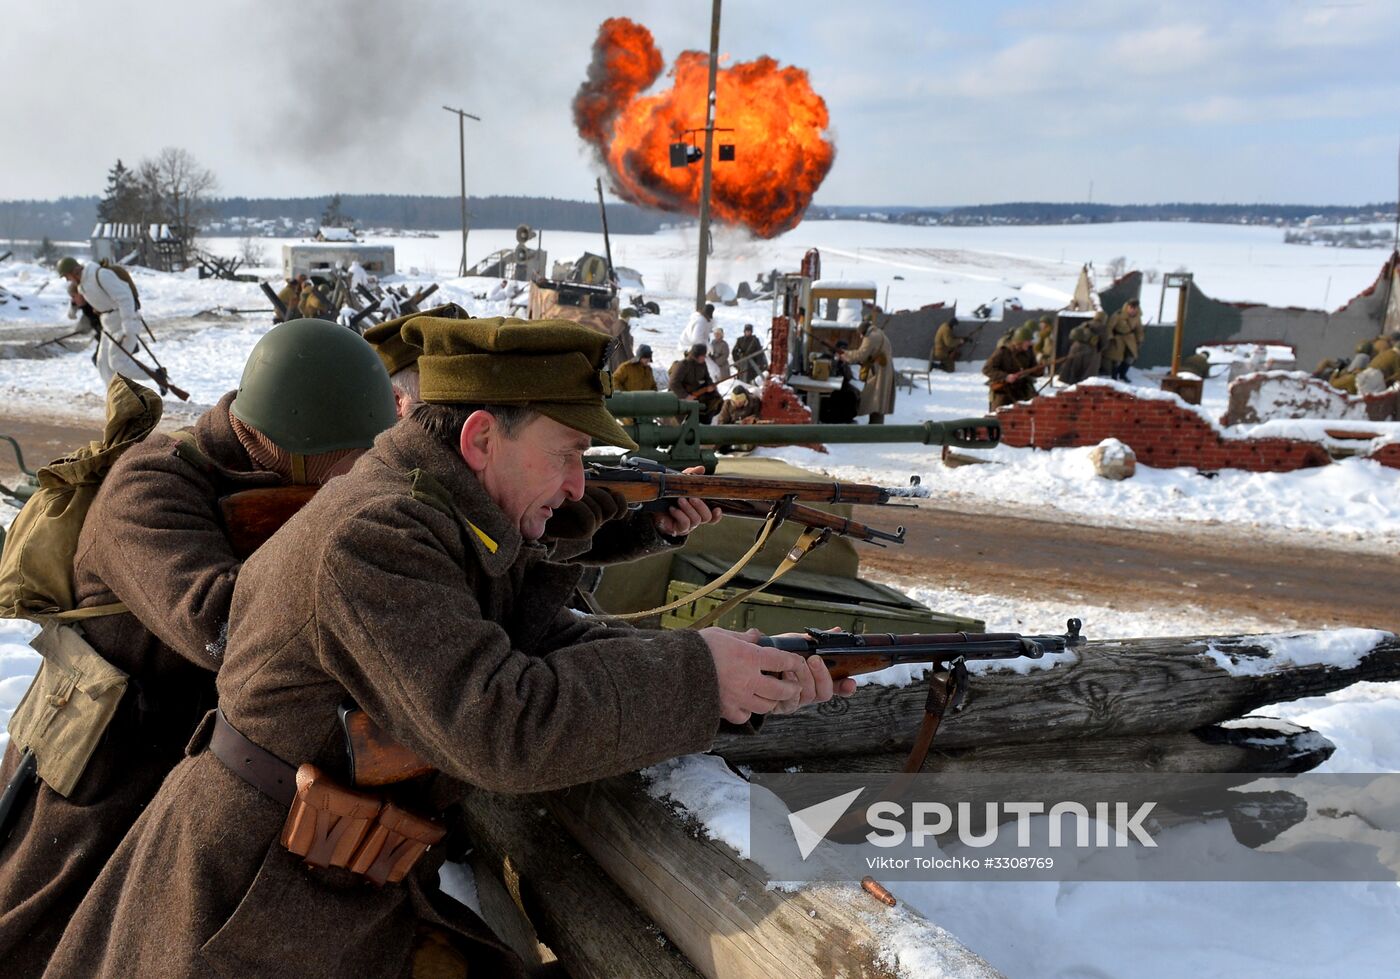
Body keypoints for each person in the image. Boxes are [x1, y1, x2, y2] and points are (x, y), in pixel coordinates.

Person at [45, 317, 850, 979]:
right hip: (245, 904)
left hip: (325, 888)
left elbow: (541, 641)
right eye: (568, 455)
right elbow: (503, 722)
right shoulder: (379, 536)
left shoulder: (437, 518)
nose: (579, 484)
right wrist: (697, 677)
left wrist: (739, 675)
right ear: (477, 439)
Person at [0, 319, 398, 975]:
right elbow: (222, 627)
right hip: (99, 770)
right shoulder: (149, 486)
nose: (357, 485)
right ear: (291, 444)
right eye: (349, 465)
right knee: (40, 937)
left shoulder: (275, 481)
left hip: (189, 762)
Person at [56, 256, 143, 386]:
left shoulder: (100, 276)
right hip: (108, 329)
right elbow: (77, 317)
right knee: (102, 364)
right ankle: (117, 395)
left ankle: (156, 376)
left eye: (67, 276)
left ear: (74, 271)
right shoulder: (84, 288)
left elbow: (124, 298)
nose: (68, 280)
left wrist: (127, 325)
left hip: (120, 326)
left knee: (117, 363)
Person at [840, 317, 895, 424]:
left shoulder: (870, 337)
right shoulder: (878, 333)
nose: (861, 337)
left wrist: (845, 354)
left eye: (861, 334)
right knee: (879, 398)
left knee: (875, 398)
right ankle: (875, 424)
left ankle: (875, 427)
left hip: (879, 371)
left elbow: (860, 355)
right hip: (883, 369)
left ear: (864, 331)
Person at [983, 324, 1041, 409]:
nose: (1030, 343)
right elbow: (987, 369)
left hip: (1022, 390)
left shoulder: (1029, 351)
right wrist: (1006, 377)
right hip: (1003, 390)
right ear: (1020, 341)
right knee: (998, 416)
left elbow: (1033, 370)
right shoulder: (1003, 351)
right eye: (1027, 341)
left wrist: (1039, 370)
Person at [670, 342, 723, 421]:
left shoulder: (702, 364)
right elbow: (673, 383)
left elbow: (707, 378)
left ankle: (705, 423)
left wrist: (710, 386)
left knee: (716, 400)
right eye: (703, 356)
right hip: (682, 395)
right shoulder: (683, 365)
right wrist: (685, 396)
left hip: (698, 393)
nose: (704, 358)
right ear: (696, 355)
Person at [819, 340, 860, 423]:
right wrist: (835, 361)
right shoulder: (827, 357)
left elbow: (849, 377)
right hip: (829, 385)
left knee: (854, 393)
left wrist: (844, 364)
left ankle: (848, 417)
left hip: (842, 385)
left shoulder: (844, 361)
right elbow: (829, 372)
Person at [1106, 299, 1145, 382]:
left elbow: (1139, 329)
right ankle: (1114, 376)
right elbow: (1109, 327)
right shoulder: (1118, 315)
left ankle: (1123, 374)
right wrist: (1110, 337)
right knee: (1117, 359)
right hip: (1118, 338)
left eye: (1135, 308)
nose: (1133, 310)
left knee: (1130, 357)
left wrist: (1139, 340)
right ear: (1127, 307)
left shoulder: (1137, 317)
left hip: (1130, 339)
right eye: (1131, 307)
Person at [1056, 317, 1102, 386]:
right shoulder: (1088, 343)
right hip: (1085, 369)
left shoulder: (1078, 344)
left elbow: (1075, 366)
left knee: (1075, 369)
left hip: (1080, 370)